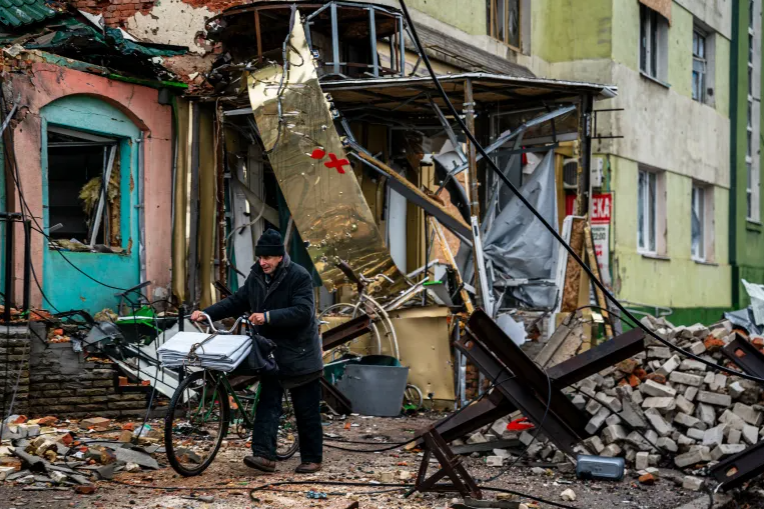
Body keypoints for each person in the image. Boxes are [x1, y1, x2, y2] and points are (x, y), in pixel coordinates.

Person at [191, 229, 323, 474]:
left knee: (306, 409)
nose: (263, 262)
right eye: (260, 257)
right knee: (268, 403)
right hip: (271, 353)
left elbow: (303, 312)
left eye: (268, 258)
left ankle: (312, 458)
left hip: (300, 352)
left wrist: (268, 317)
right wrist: (207, 312)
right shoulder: (256, 277)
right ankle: (264, 456)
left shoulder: (299, 276)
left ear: (280, 257)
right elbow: (236, 301)